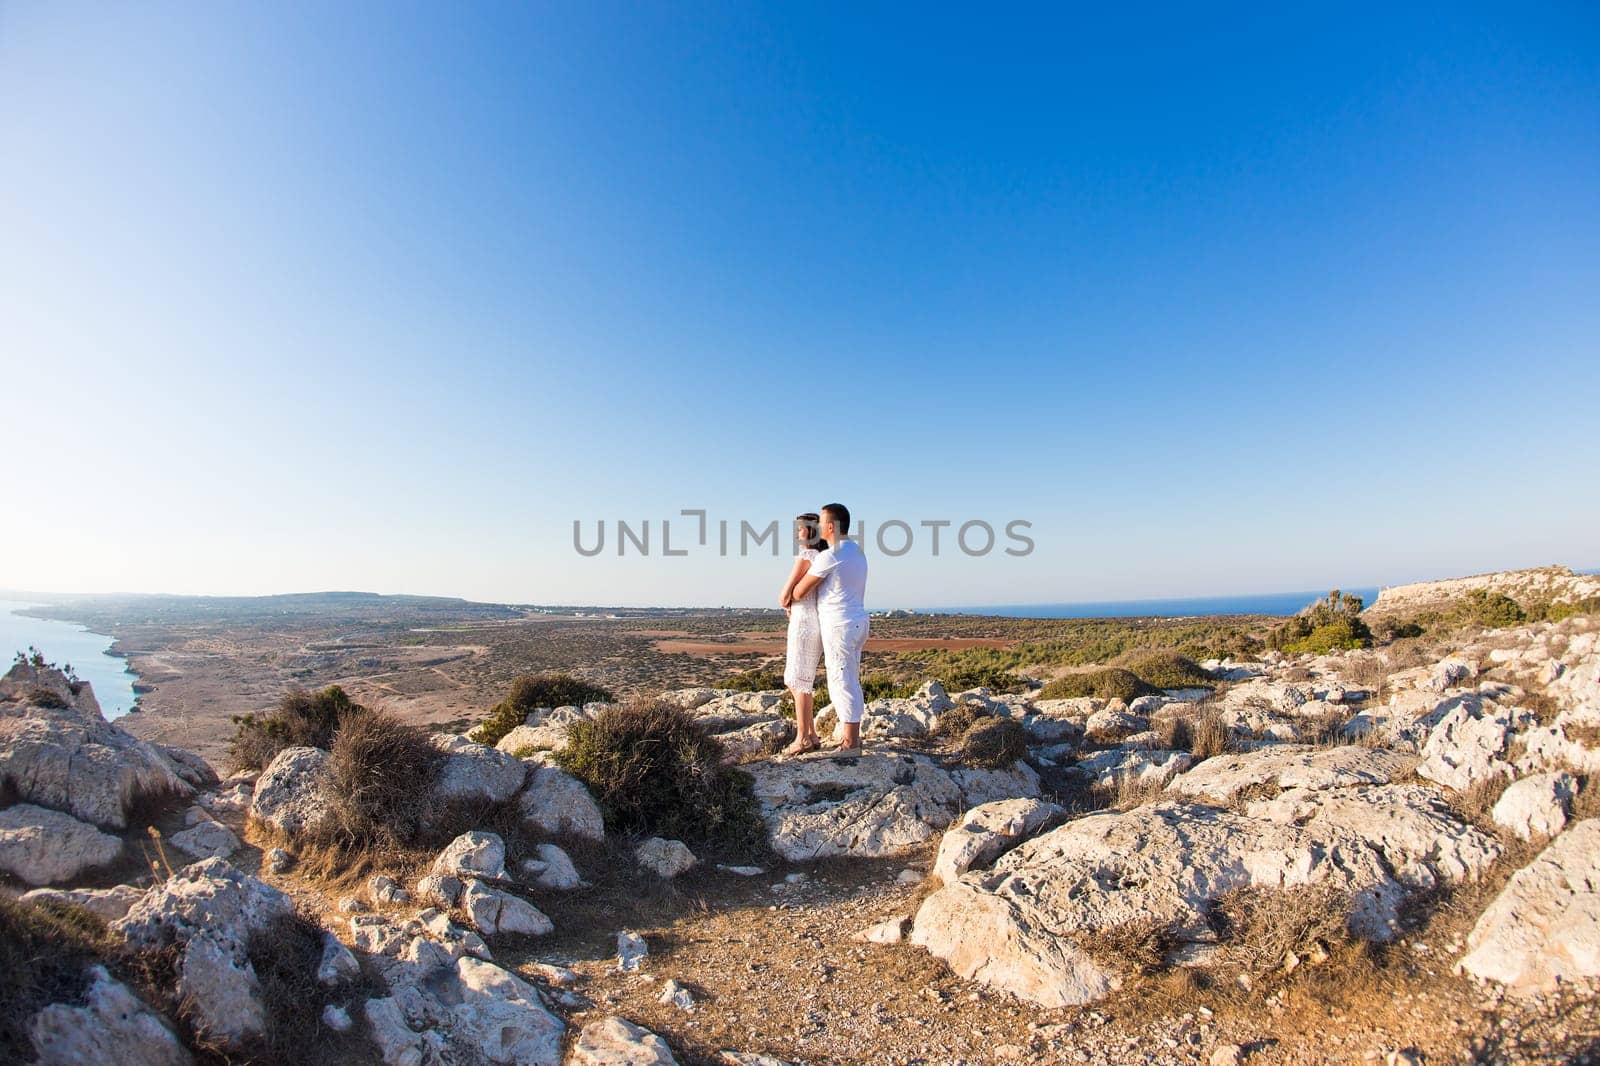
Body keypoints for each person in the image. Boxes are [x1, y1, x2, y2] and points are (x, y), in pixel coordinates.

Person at [785, 502, 869, 755]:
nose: (819, 526)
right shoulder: (856, 550)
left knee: (841, 681)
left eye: (822, 522)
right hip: (858, 620)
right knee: (849, 678)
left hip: (839, 624)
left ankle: (850, 744)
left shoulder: (830, 555)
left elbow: (799, 591)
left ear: (830, 526)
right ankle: (850, 738)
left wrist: (793, 593)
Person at [778, 513, 827, 756]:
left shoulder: (806, 556)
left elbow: (784, 595)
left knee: (798, 680)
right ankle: (812, 734)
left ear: (810, 531)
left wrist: (787, 602)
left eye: (800, 530)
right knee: (800, 680)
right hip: (814, 621)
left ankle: (802, 738)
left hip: (803, 623)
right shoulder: (822, 557)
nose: (797, 534)